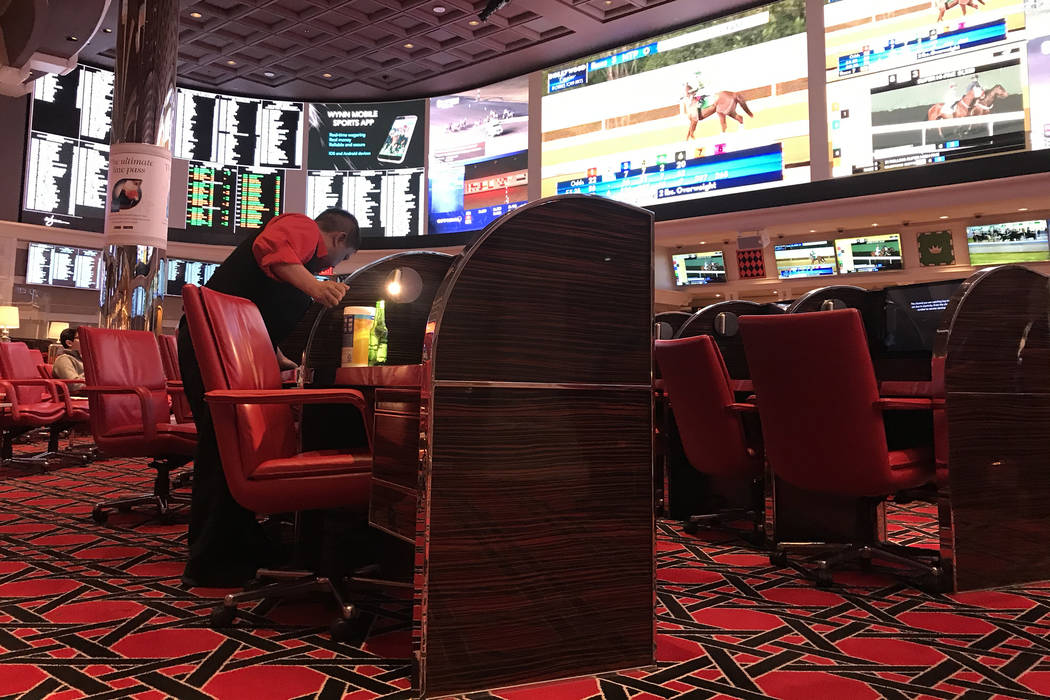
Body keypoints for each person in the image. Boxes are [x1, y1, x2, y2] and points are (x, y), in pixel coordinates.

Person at [177, 208, 360, 587]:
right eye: (340, 258)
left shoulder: (299, 266)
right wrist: (317, 287)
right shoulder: (303, 229)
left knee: (230, 446)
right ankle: (210, 559)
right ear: (340, 239)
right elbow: (270, 246)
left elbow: (261, 316)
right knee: (222, 445)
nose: (330, 266)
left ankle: (240, 543)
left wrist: (280, 360)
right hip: (208, 343)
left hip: (224, 345)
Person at [52, 327, 85, 392]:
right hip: (79, 395)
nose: (85, 339)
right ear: (69, 343)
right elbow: (74, 385)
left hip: (93, 392)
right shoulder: (64, 359)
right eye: (80, 337)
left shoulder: (85, 359)